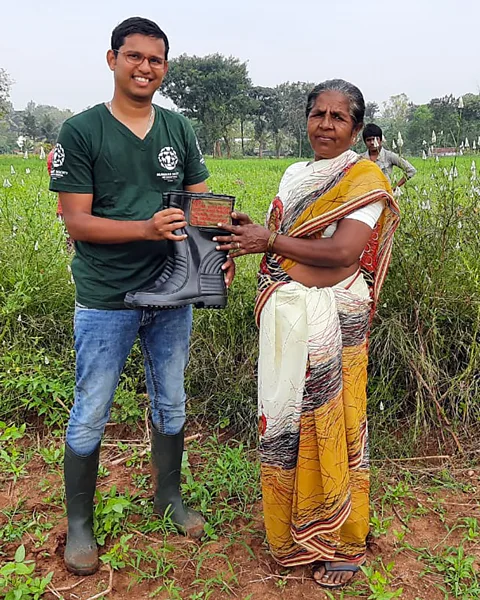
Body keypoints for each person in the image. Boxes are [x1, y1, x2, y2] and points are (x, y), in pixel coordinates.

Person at [49, 16, 234, 576]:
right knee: (92, 410)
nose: (145, 67)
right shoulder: (81, 132)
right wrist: (145, 228)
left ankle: (168, 497)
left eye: (155, 60)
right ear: (112, 60)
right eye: (134, 57)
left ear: (165, 68)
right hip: (107, 295)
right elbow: (77, 222)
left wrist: (222, 234)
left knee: (172, 400)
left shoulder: (177, 129)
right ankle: (79, 522)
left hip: (173, 293)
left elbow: (200, 204)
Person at [214, 80, 399, 589]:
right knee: (289, 425)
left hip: (336, 316)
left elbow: (343, 253)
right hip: (290, 312)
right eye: (318, 114)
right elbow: (286, 239)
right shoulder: (296, 173)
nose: (326, 124)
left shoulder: (364, 178)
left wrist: (269, 240)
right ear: (307, 119)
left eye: (339, 117)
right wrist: (254, 234)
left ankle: (341, 543)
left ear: (357, 128)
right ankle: (296, 539)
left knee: (337, 423)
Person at [362, 123, 416, 190]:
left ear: (381, 140)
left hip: (385, 195)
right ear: (365, 142)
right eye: (369, 140)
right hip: (365, 196)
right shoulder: (361, 159)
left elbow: (411, 170)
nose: (372, 142)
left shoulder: (389, 155)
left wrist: (395, 188)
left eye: (375, 139)